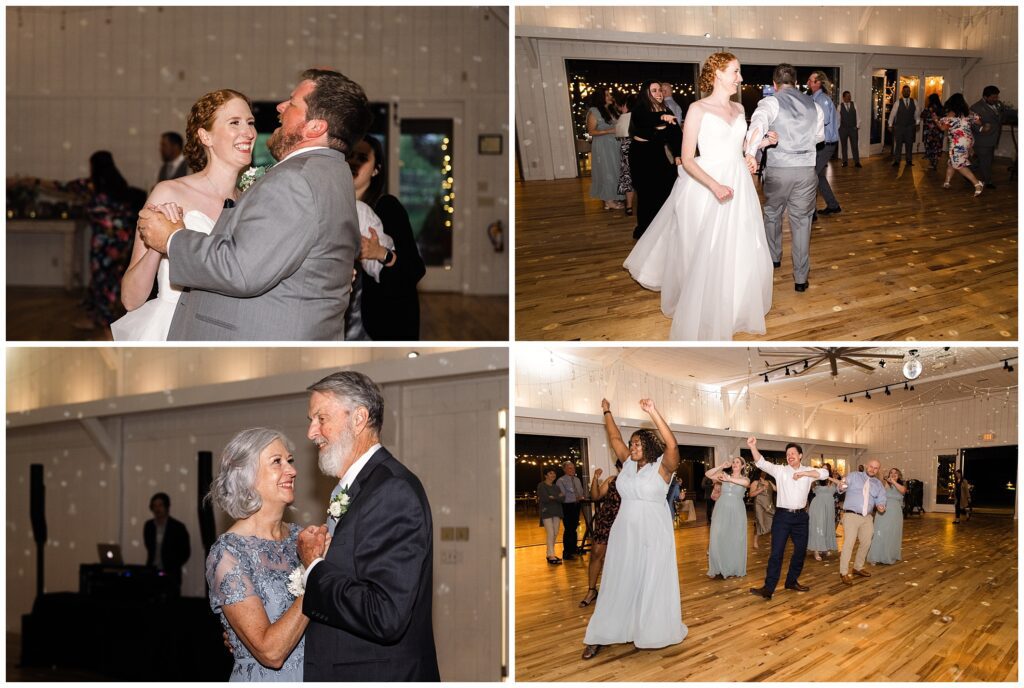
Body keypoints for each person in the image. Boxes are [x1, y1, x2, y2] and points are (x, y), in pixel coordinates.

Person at [137, 68, 373, 340]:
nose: (280, 106)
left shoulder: (296, 179)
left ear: (315, 127)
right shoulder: (334, 173)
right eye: (234, 122)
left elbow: (241, 269)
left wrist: (171, 239)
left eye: (293, 103)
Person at [298, 371, 440, 680]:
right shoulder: (360, 488)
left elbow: (385, 614)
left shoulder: (391, 491)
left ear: (359, 418)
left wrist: (314, 568)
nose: (311, 432)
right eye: (311, 420)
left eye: (321, 418)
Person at [624, 53, 775, 339]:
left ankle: (734, 307)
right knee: (705, 249)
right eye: (735, 72)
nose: (740, 78)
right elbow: (687, 158)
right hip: (707, 185)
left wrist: (757, 150)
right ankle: (705, 308)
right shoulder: (697, 108)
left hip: (739, 184)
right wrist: (715, 186)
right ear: (717, 73)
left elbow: (740, 147)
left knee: (742, 244)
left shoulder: (739, 108)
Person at [116, 90, 256, 340]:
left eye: (250, 123)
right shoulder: (169, 192)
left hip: (232, 329)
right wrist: (161, 244)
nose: (248, 132)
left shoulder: (251, 202)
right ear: (205, 136)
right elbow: (130, 299)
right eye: (234, 123)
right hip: (175, 327)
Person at [206, 428, 317, 680]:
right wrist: (314, 579)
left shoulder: (303, 540)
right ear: (247, 477)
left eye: (289, 461)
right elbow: (270, 653)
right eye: (276, 462)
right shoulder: (228, 553)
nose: (292, 470)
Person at [582, 398, 685, 659]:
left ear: (648, 445)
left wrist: (653, 411)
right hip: (624, 533)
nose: (632, 446)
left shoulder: (662, 467)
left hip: (654, 533)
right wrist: (607, 411)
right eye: (632, 443)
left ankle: (647, 630)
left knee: (649, 581)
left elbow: (672, 444)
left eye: (637, 443)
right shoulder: (627, 463)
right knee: (617, 580)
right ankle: (601, 633)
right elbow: (614, 435)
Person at [9, 151, 145, 331]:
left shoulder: (91, 186)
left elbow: (60, 186)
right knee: (113, 279)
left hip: (104, 244)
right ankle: (110, 318)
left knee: (101, 280)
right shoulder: (119, 185)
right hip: (123, 242)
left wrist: (31, 180)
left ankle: (101, 320)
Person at [744, 62, 824, 293]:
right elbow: (819, 137)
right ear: (796, 82)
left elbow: (757, 125)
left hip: (779, 169)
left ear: (774, 84)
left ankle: (773, 258)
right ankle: (800, 278)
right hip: (807, 170)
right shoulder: (814, 105)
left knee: (772, 213)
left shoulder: (771, 101)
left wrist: (751, 153)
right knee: (802, 222)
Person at [351, 135, 426, 341]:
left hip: (383, 322)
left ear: (376, 170)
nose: (354, 162)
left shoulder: (387, 207)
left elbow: (415, 269)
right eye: (350, 156)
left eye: (362, 157)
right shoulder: (333, 206)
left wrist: (381, 253)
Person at [747, 437, 828, 600]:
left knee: (800, 552)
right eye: (787, 454)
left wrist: (804, 473)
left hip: (801, 517)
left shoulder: (808, 472)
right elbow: (761, 463)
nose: (790, 456)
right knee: (776, 553)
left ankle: (791, 581)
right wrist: (752, 447)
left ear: (800, 455)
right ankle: (768, 589)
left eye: (793, 453)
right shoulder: (780, 470)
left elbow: (825, 473)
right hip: (783, 516)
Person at [580, 399, 628, 607]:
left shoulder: (636, 481)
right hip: (607, 520)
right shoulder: (612, 480)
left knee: (621, 560)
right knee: (596, 555)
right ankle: (592, 590)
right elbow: (596, 497)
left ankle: (618, 592)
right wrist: (594, 478)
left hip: (625, 524)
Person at [628, 80, 681, 239]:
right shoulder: (639, 109)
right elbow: (645, 122)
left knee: (666, 189)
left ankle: (663, 228)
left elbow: (676, 134)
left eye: (660, 90)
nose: (659, 93)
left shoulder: (667, 109)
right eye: (654, 90)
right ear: (646, 93)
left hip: (658, 153)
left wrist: (678, 153)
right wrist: (662, 118)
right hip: (641, 156)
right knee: (646, 194)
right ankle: (644, 230)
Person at [836, 458, 887, 585]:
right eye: (871, 466)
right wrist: (841, 486)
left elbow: (881, 498)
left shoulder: (878, 484)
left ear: (878, 470)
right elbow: (842, 486)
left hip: (867, 517)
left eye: (875, 468)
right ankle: (843, 572)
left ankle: (858, 567)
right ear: (866, 465)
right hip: (851, 515)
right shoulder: (854, 476)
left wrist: (881, 505)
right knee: (849, 543)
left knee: (866, 542)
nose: (872, 469)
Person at [704, 457, 750, 579]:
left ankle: (733, 567)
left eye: (737, 462)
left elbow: (745, 484)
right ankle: (719, 566)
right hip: (721, 510)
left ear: (742, 466)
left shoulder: (745, 479)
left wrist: (729, 478)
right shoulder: (723, 475)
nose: (734, 464)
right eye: (733, 462)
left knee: (735, 538)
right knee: (718, 536)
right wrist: (721, 466)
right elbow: (708, 474)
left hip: (737, 511)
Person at [934, 94, 985, 197]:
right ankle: (947, 182)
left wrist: (935, 119)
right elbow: (979, 122)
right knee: (953, 160)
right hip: (968, 140)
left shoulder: (951, 114)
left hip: (958, 141)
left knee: (958, 163)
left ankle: (977, 184)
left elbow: (943, 128)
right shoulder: (969, 113)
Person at [143, 492, 191, 595]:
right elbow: (149, 547)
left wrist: (173, 565)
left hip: (171, 575)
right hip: (152, 573)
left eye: (160, 505)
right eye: (155, 506)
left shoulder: (178, 527)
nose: (157, 509)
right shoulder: (148, 526)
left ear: (167, 506)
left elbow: (185, 552)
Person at [807, 71, 841, 216]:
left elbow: (824, 119)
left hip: (826, 144)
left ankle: (812, 212)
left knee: (811, 176)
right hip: (821, 143)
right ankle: (833, 205)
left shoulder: (822, 99)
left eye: (811, 80)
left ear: (818, 83)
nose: (808, 82)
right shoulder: (813, 98)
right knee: (819, 176)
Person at [586, 88, 625, 210]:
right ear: (600, 97)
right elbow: (591, 132)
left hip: (614, 144)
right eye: (606, 95)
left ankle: (613, 197)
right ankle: (609, 201)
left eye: (609, 94)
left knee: (615, 170)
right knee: (607, 171)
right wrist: (609, 131)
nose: (610, 96)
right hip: (603, 145)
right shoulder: (594, 111)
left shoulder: (611, 110)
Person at [867, 468, 907, 565]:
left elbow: (903, 491)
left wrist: (893, 482)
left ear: (899, 475)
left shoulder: (902, 485)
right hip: (883, 511)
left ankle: (890, 555)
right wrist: (888, 483)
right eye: (891, 473)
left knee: (892, 533)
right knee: (879, 532)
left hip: (896, 513)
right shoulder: (883, 483)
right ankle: (875, 557)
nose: (893, 474)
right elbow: (879, 494)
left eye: (895, 473)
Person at [807, 464, 841, 561]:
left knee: (827, 526)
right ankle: (816, 550)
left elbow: (840, 483)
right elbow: (807, 488)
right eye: (822, 469)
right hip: (817, 506)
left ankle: (824, 548)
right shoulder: (815, 481)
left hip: (829, 507)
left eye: (826, 469)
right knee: (818, 527)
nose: (824, 470)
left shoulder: (832, 480)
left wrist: (828, 477)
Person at [970, 85, 1002, 189]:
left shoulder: (998, 105)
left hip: (993, 138)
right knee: (985, 161)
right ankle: (987, 182)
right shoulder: (976, 107)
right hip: (982, 139)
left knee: (981, 161)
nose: (995, 99)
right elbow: (973, 124)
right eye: (993, 97)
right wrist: (982, 128)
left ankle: (967, 173)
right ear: (985, 96)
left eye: (996, 97)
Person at [556, 460, 586, 560]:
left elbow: (581, 492)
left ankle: (573, 548)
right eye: (569, 468)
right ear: (564, 469)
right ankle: (567, 552)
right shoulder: (560, 481)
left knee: (574, 528)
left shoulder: (577, 480)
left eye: (573, 467)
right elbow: (563, 496)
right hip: (567, 506)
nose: (572, 469)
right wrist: (577, 498)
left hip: (576, 506)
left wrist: (581, 497)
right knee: (568, 529)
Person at [614, 93, 636, 216]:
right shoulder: (639, 116)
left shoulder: (625, 117)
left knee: (628, 176)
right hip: (638, 148)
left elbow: (619, 134)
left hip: (627, 148)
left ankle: (629, 206)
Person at [537, 467, 565, 565]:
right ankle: (552, 555)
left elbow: (563, 498)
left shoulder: (556, 487)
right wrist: (557, 497)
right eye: (550, 473)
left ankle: (549, 554)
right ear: (546, 475)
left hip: (557, 511)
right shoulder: (541, 485)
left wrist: (553, 497)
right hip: (546, 512)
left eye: (554, 473)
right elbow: (545, 498)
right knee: (551, 533)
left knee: (555, 532)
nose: (553, 475)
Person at [888, 85, 919, 167]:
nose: (906, 92)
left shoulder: (914, 101)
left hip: (910, 126)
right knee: (898, 144)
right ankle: (897, 161)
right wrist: (890, 125)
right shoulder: (898, 102)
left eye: (908, 91)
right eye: (905, 91)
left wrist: (917, 123)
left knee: (909, 144)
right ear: (902, 92)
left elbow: (916, 113)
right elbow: (892, 114)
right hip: (899, 127)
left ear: (910, 92)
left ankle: (909, 160)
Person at [747, 472, 775, 550]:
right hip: (759, 505)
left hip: (769, 505)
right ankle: (755, 542)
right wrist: (762, 489)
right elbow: (751, 494)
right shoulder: (755, 482)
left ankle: (772, 540)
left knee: (773, 522)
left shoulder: (769, 482)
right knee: (759, 522)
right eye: (762, 471)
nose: (764, 473)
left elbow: (777, 489)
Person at [837, 91, 862, 168]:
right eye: (847, 96)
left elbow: (858, 116)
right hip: (843, 129)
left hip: (853, 129)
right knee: (844, 146)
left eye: (850, 96)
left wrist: (857, 126)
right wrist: (838, 128)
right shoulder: (839, 106)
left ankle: (857, 162)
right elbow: (837, 119)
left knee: (855, 146)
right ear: (843, 97)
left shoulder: (854, 104)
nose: (849, 97)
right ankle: (845, 161)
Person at [921, 93, 945, 170]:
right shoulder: (941, 108)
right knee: (937, 147)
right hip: (939, 131)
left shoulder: (929, 108)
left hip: (930, 132)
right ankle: (935, 164)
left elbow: (922, 115)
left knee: (930, 146)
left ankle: (932, 164)